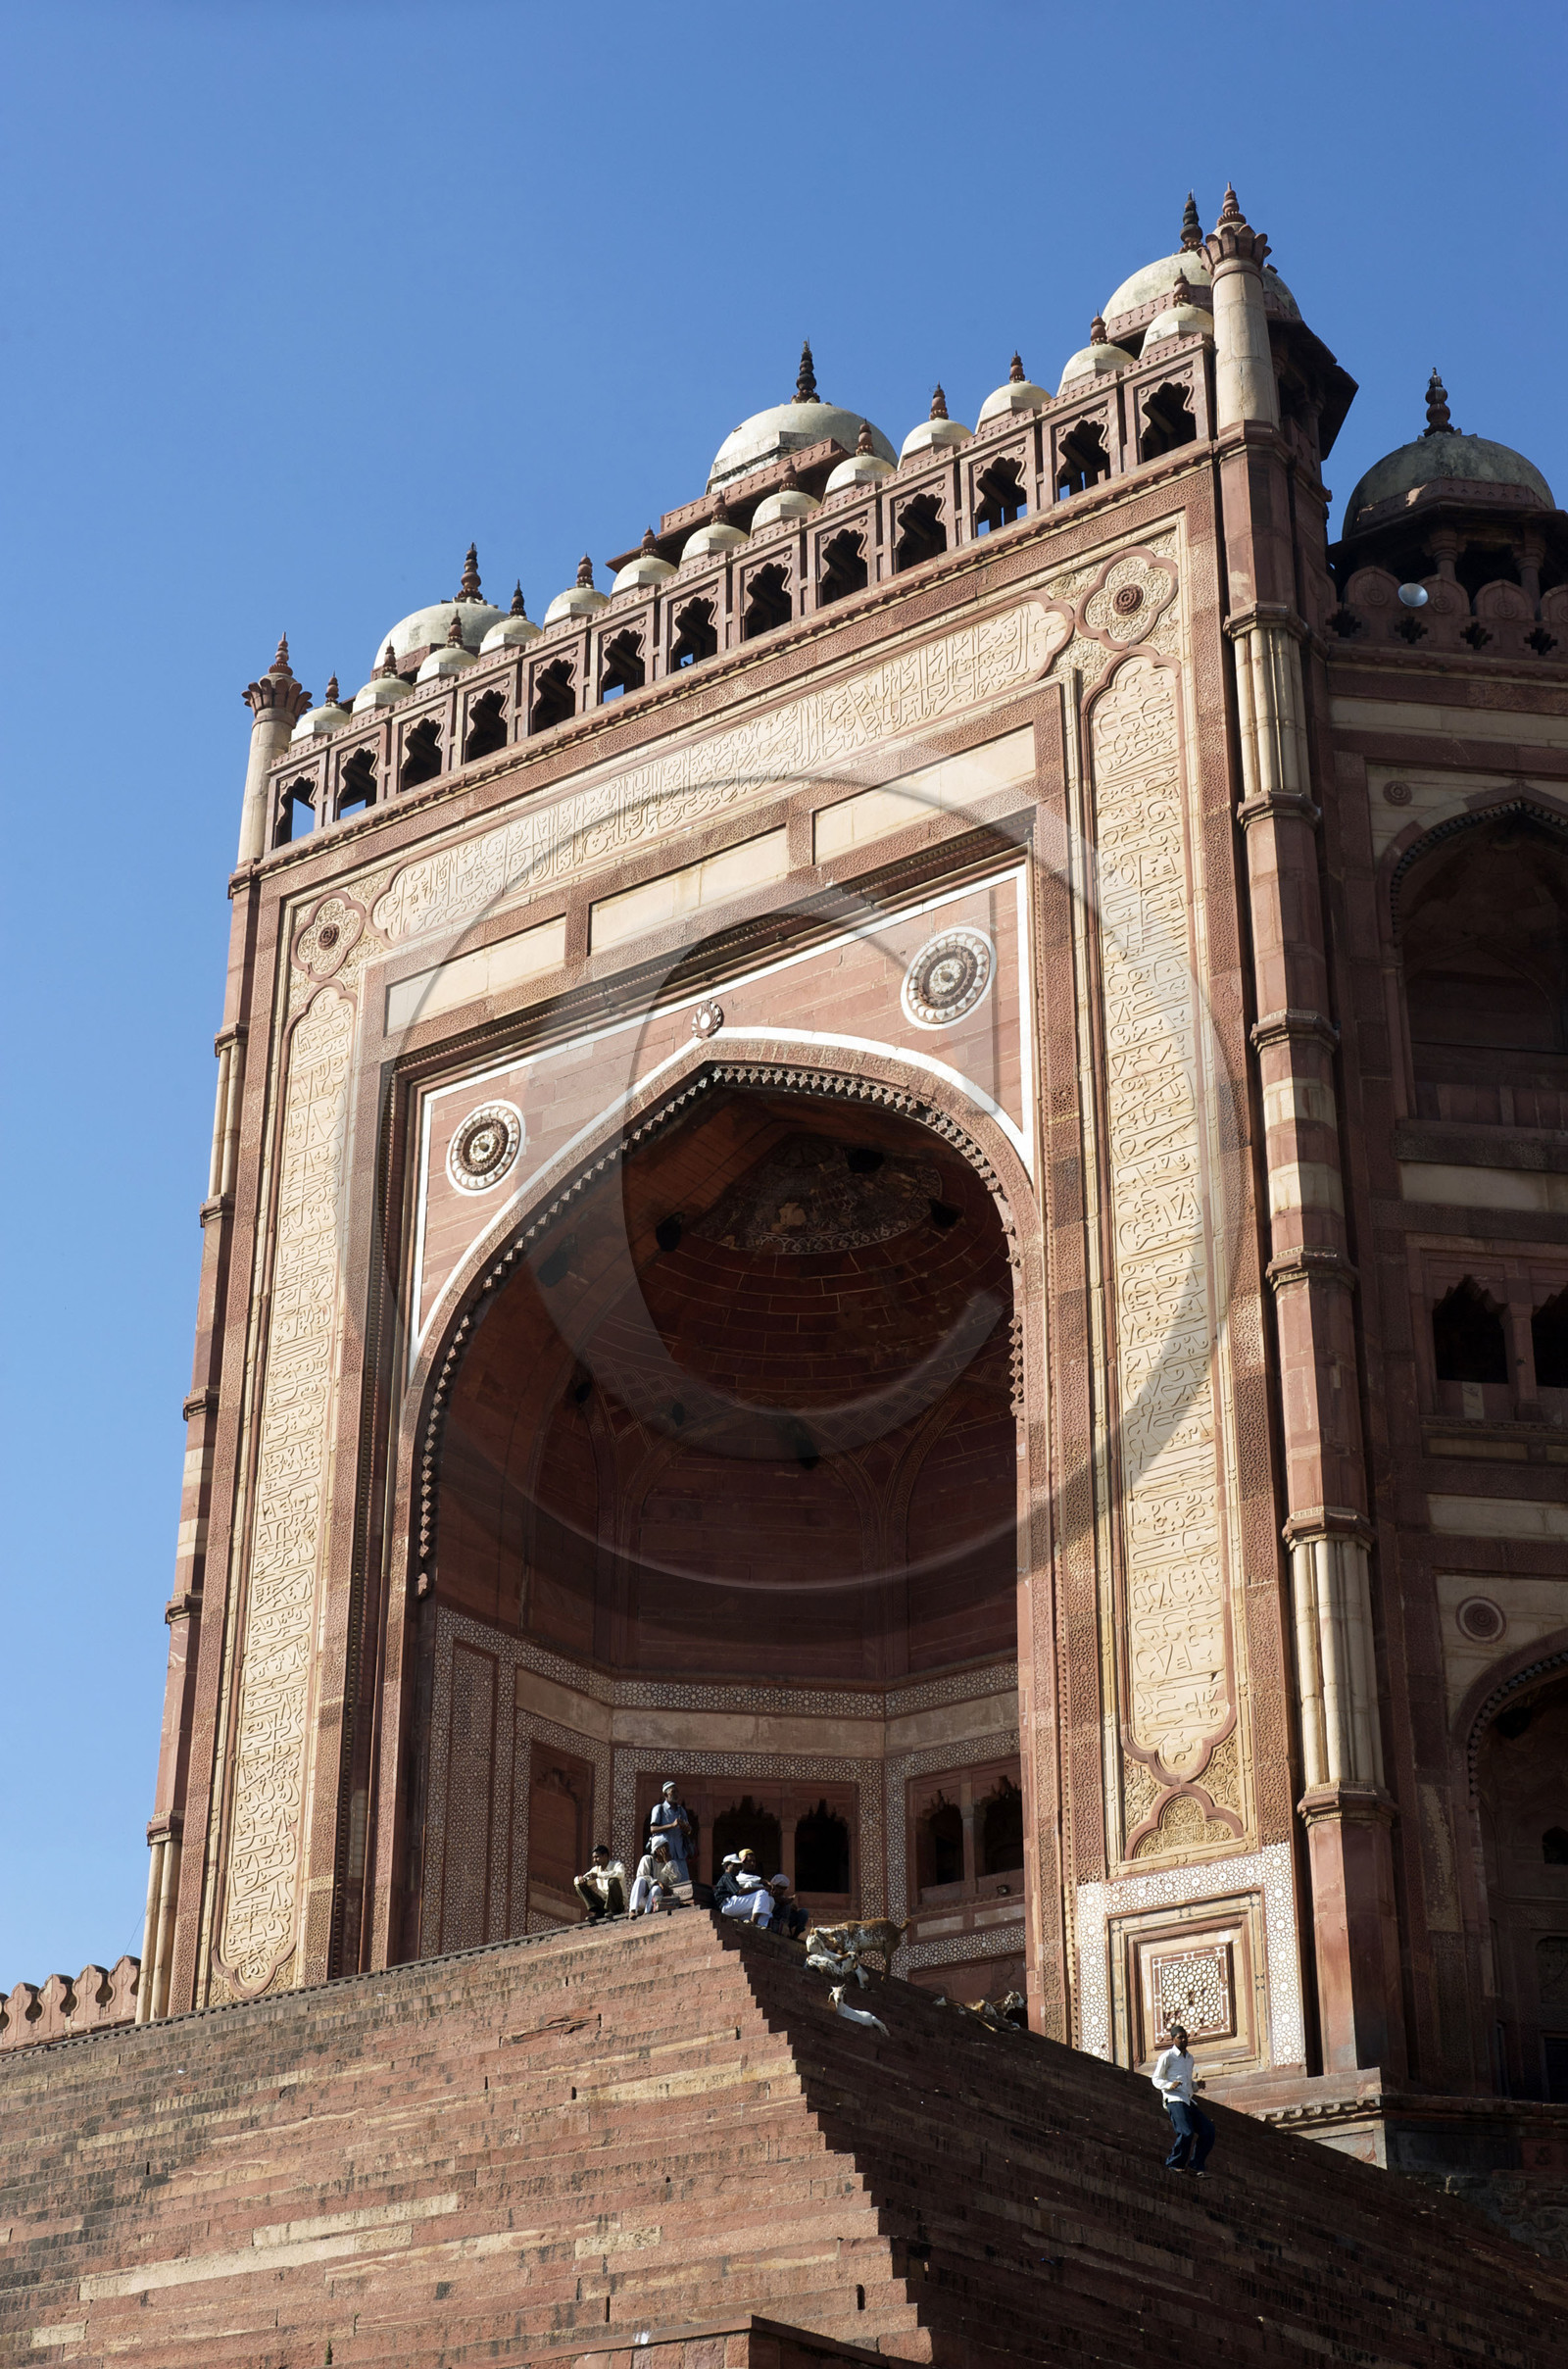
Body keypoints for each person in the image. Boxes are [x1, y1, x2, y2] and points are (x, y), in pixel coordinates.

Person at [1151, 2023, 1215, 2175]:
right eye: (1180, 2037)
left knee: (1208, 2130)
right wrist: (1169, 2085)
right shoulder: (1167, 2056)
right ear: (1173, 2039)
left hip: (1187, 2099)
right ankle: (1174, 2162)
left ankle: (1196, 2165)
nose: (1184, 2040)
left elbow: (1187, 2083)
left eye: (1185, 2037)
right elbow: (1155, 2079)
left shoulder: (1189, 2058)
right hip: (1174, 2099)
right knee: (1186, 2132)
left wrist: (1196, 2085)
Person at [646, 1782, 693, 1881]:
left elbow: (689, 1830)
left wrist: (685, 1827)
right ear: (665, 1795)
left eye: (677, 1792)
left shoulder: (681, 1811)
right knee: (665, 1883)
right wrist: (672, 1825)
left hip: (679, 1854)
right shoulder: (659, 1809)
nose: (676, 1794)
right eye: (673, 1792)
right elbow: (653, 1829)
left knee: (683, 1884)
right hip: (665, 1854)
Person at [572, 1843, 627, 1923]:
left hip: (617, 1903)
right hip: (603, 1904)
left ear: (605, 1856)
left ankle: (613, 1910)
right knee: (580, 1886)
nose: (594, 1860)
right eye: (593, 1858)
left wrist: (599, 1875)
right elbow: (582, 1879)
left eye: (597, 1857)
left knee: (613, 1881)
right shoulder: (596, 1869)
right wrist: (579, 1879)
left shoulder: (617, 1865)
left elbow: (620, 1874)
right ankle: (598, 1911)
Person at [717, 1850, 772, 1926]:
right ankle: (753, 1922)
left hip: (732, 1907)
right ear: (727, 1866)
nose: (738, 1868)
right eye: (735, 1865)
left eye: (738, 1866)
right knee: (762, 1893)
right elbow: (739, 1892)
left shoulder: (733, 1877)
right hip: (727, 1905)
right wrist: (761, 1888)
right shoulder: (727, 1876)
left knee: (764, 1913)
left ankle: (758, 1927)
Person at [628, 1837, 680, 1916]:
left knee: (656, 1888)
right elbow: (642, 1876)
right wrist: (657, 1882)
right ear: (657, 1849)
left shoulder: (672, 1864)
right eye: (664, 1847)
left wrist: (668, 1863)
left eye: (667, 1847)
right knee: (640, 1880)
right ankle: (632, 1910)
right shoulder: (647, 1859)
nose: (666, 1850)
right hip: (642, 1899)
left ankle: (647, 1912)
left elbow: (676, 1880)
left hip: (659, 1900)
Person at [766, 1873, 808, 1940]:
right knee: (786, 1906)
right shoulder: (766, 1894)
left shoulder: (784, 1898)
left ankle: (794, 1937)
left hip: (785, 1922)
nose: (782, 1890)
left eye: (784, 1888)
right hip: (772, 1922)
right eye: (780, 1887)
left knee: (804, 1913)